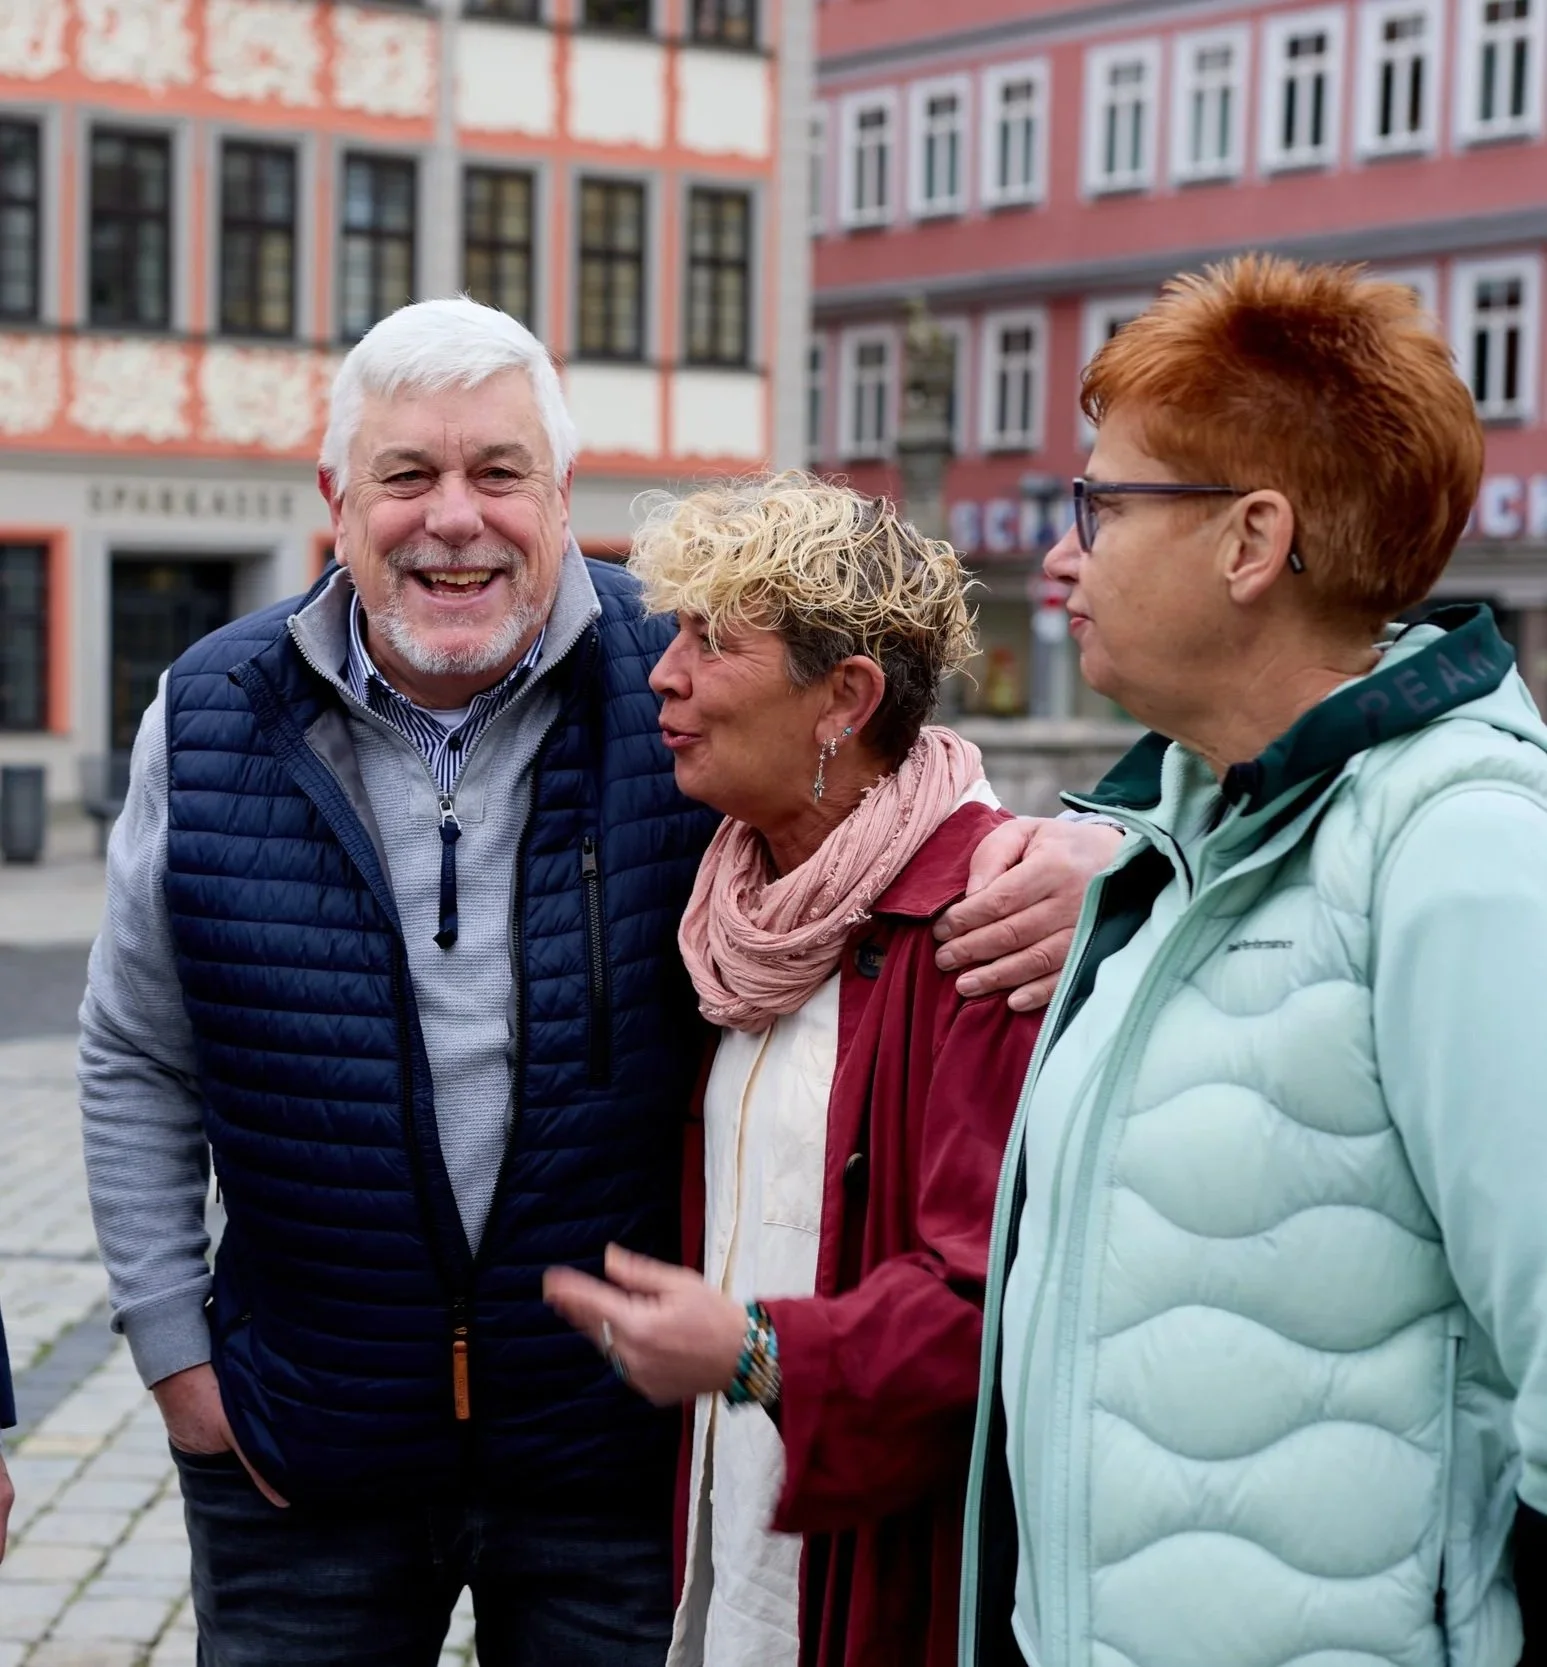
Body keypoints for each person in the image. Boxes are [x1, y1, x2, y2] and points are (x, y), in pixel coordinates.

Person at [76, 297, 1113, 1664]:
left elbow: (886, 784)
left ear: (563, 494)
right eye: (407, 474)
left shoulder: (681, 687)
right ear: (337, 500)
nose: (455, 517)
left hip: (611, 1463)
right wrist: (176, 1357)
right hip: (303, 1450)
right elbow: (136, 1051)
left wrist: (1110, 849)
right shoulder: (213, 708)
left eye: (499, 471)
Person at [959, 254, 1547, 1667]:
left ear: (1249, 540)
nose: (1064, 552)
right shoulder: (1188, 835)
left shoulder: (1458, 850)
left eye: (1103, 505)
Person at [544, 476, 1042, 1667]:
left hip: (886, 1564)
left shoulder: (984, 923)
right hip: (730, 1533)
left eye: (711, 642)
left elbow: (994, 1307)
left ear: (844, 699)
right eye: (673, 633)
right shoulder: (734, 901)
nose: (663, 675)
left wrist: (753, 1352)